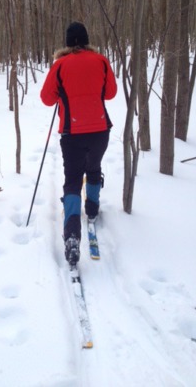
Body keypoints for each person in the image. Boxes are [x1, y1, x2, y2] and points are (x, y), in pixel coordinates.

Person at [40, 21, 117, 267]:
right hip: (99, 131)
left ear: (66, 43)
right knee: (93, 168)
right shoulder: (101, 61)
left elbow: (46, 98)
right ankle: (92, 209)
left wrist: (64, 93)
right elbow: (111, 93)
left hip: (71, 133)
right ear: (86, 40)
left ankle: (72, 234)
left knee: (72, 179)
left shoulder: (60, 65)